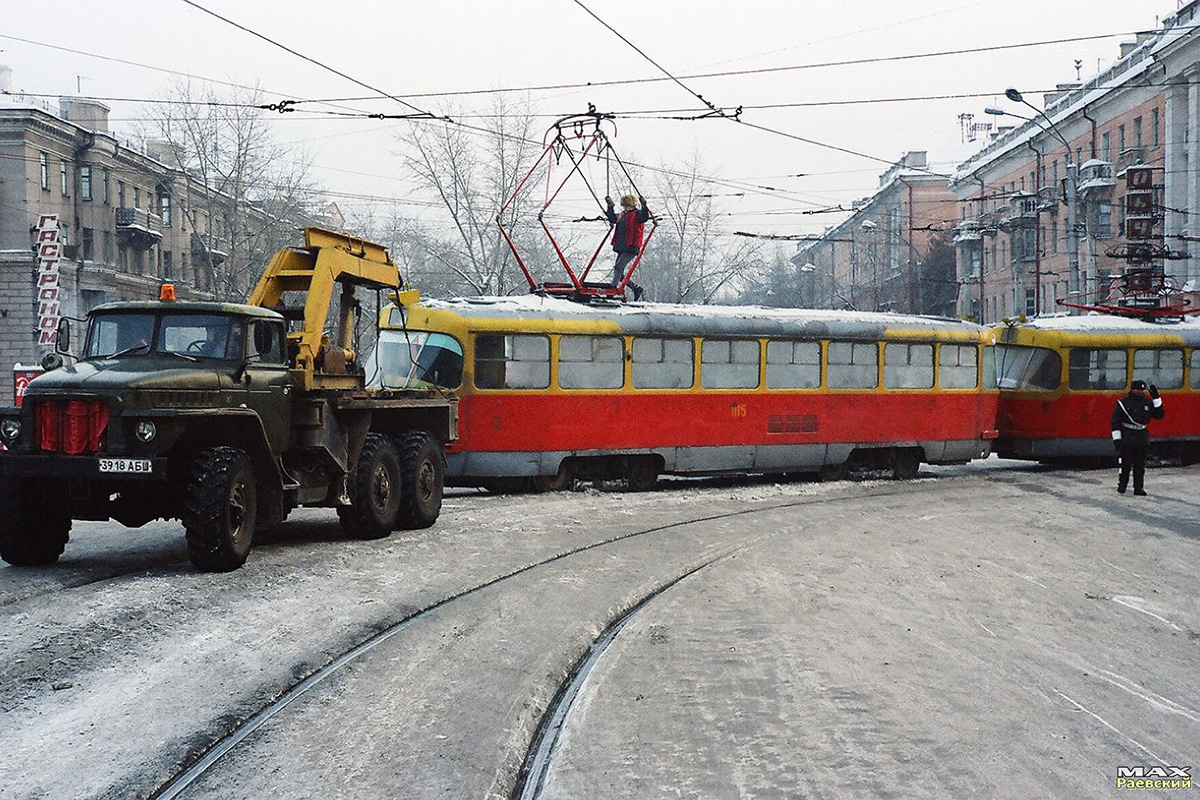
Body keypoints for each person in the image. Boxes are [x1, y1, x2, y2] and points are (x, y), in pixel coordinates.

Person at [1110, 379, 1164, 495]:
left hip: (1142, 436)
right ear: (1132, 389)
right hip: (1128, 436)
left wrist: (1156, 398)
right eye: (1137, 389)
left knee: (1140, 465)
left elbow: (1159, 415)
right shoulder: (1123, 403)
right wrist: (1117, 439)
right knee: (1125, 464)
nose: (1140, 392)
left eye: (1142, 390)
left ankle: (1138, 488)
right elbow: (1115, 421)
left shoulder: (1147, 403)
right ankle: (1122, 485)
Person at [604, 193, 650, 301]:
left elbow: (644, 217)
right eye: (624, 206)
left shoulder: (637, 214)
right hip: (622, 246)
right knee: (619, 273)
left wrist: (644, 206)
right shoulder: (621, 215)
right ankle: (636, 288)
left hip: (631, 246)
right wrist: (610, 206)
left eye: (627, 206)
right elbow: (612, 218)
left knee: (618, 267)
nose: (625, 208)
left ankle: (613, 288)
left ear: (632, 205)